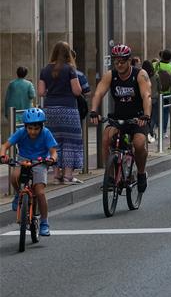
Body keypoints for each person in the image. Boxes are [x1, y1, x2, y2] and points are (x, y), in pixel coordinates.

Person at [89, 44, 153, 193]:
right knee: (106, 138)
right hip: (118, 117)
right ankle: (110, 177)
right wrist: (93, 111)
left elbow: (146, 95)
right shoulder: (110, 75)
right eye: (116, 62)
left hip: (138, 118)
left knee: (139, 144)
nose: (119, 65)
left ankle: (141, 173)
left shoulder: (140, 74)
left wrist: (146, 115)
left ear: (129, 60)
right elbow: (98, 93)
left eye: (122, 61)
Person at [0, 108, 58, 236]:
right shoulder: (20, 132)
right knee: (14, 176)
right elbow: (5, 145)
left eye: (36, 128)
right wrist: (3, 155)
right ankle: (18, 195)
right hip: (23, 160)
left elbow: (53, 151)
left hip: (40, 162)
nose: (33, 131)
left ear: (41, 127)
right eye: (30, 128)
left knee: (40, 192)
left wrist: (52, 159)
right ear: (25, 126)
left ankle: (44, 222)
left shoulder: (46, 133)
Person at [38, 41, 83, 185]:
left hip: (50, 110)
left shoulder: (45, 70)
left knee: (54, 142)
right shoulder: (70, 69)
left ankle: (56, 176)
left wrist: (52, 91)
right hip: (68, 109)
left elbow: (40, 92)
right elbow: (77, 91)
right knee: (70, 141)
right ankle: (68, 176)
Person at [155, 49, 171, 138]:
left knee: (156, 112)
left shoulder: (157, 65)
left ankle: (154, 129)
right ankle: (163, 131)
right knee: (165, 112)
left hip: (158, 92)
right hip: (168, 92)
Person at [142, 60, 160, 142]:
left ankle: (146, 132)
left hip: (145, 98)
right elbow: (160, 87)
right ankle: (150, 132)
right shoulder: (156, 76)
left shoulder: (142, 76)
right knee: (153, 117)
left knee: (146, 116)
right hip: (155, 98)